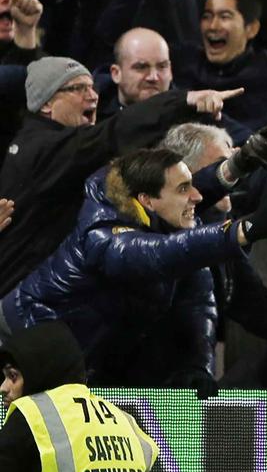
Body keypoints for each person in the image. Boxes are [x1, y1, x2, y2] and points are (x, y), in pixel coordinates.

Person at [2, 148, 267, 388]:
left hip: (76, 360)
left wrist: (197, 365)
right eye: (185, 188)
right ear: (146, 201)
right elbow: (160, 254)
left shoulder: (161, 217)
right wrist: (242, 230)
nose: (197, 196)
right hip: (16, 345)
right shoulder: (103, 238)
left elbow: (198, 305)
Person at [0, 56, 243, 297]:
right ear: (46, 104)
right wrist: (184, 101)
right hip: (24, 312)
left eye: (92, 87)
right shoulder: (43, 150)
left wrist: (231, 169)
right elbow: (112, 134)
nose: (93, 95)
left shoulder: (65, 157)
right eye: (77, 89)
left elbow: (159, 200)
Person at [0, 321, 159, 472]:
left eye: (12, 376)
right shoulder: (125, 421)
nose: (3, 387)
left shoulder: (32, 416)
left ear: (39, 370)